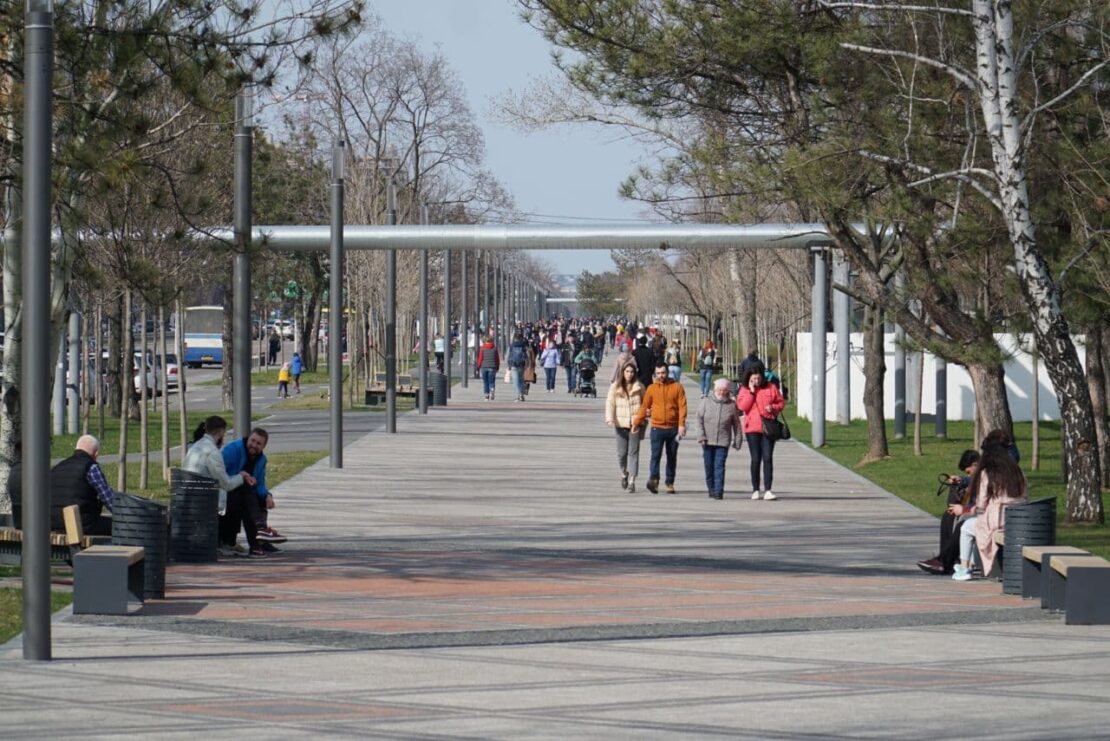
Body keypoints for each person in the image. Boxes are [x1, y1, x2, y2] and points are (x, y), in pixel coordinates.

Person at [953, 437, 1028, 582]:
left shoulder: (988, 474)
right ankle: (973, 563)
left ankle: (964, 568)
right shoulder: (1019, 471)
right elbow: (1025, 496)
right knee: (976, 525)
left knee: (967, 527)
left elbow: (981, 504)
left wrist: (970, 510)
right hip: (1019, 521)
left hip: (998, 522)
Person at [182, 416, 256, 556]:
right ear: (220, 432)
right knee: (240, 493)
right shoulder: (212, 452)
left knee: (238, 491)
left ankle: (240, 538)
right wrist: (242, 476)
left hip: (191, 497)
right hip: (204, 502)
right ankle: (234, 541)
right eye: (225, 433)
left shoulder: (195, 447)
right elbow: (226, 484)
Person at [222, 427, 286, 555]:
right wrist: (240, 476)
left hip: (244, 497)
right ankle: (260, 535)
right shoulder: (232, 449)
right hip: (225, 494)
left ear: (263, 447)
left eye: (258, 444)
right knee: (245, 487)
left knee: (258, 498)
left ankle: (258, 542)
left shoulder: (261, 460)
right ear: (248, 438)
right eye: (252, 441)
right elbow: (220, 474)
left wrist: (268, 495)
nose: (254, 445)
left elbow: (260, 484)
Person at [917, 450, 980, 575]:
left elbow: (985, 503)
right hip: (981, 512)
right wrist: (959, 483)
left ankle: (944, 561)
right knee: (948, 515)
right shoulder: (980, 476)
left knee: (964, 524)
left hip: (985, 514)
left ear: (975, 464)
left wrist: (965, 509)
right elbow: (971, 482)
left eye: (968, 472)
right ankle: (944, 561)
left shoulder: (988, 475)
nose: (969, 475)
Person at [631, 363, 688, 494]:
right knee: (655, 455)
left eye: (663, 373)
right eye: (658, 373)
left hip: (673, 428)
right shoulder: (651, 388)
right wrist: (636, 422)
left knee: (672, 456)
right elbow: (644, 407)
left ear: (667, 372)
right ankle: (654, 480)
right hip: (657, 428)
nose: (661, 376)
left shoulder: (677, 387)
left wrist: (681, 425)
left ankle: (669, 482)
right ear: (655, 374)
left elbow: (682, 407)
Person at [736, 360, 785, 501]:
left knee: (768, 458)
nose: (757, 380)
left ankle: (768, 489)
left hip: (768, 427)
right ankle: (755, 489)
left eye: (758, 378)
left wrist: (773, 408)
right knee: (755, 459)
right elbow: (742, 407)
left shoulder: (771, 387)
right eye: (753, 379)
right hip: (752, 428)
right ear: (749, 378)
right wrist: (751, 392)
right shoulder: (744, 390)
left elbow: (781, 402)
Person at [49, 435, 116, 536]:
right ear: (96, 453)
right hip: (82, 525)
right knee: (118, 527)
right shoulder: (90, 467)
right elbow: (109, 500)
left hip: (54, 524)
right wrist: (125, 515)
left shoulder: (57, 467)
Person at [697, 378, 742, 500]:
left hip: (723, 441)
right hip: (707, 440)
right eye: (720, 390)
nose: (722, 392)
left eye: (725, 390)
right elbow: (699, 419)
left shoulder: (731, 405)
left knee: (719, 465)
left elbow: (737, 424)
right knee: (709, 465)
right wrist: (701, 436)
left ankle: (718, 490)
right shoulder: (706, 401)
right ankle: (711, 488)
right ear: (715, 389)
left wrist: (738, 440)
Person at [605, 361, 646, 492]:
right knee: (622, 454)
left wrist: (643, 419)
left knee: (633, 453)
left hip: (635, 424)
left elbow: (645, 404)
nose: (629, 374)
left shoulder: (639, 387)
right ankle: (624, 473)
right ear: (623, 372)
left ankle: (632, 481)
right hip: (620, 424)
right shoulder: (615, 386)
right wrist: (610, 418)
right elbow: (610, 403)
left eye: (632, 372)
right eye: (627, 371)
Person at [507, 332, 531, 401]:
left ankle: (518, 395)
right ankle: (521, 394)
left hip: (514, 364)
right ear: (521, 338)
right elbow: (527, 355)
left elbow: (508, 356)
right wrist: (528, 364)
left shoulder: (512, 345)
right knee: (521, 380)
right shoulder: (524, 346)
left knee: (515, 381)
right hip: (522, 364)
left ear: (514, 338)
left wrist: (508, 365)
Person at [476, 334, 500, 400]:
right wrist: (497, 367)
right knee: (492, 381)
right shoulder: (495, 348)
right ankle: (492, 389)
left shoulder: (482, 348)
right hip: (492, 367)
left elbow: (480, 359)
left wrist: (478, 367)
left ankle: (486, 395)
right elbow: (497, 359)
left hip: (484, 367)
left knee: (485, 382)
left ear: (485, 340)